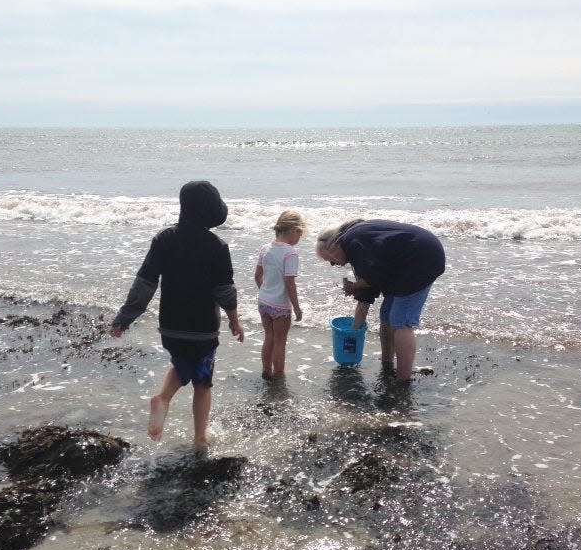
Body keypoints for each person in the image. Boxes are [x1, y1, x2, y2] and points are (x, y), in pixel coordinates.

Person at [109, 181, 244, 447]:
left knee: (181, 364)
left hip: (170, 326)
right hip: (203, 327)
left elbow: (144, 284)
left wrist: (124, 319)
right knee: (203, 382)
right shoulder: (217, 246)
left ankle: (164, 398)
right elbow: (224, 291)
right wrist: (234, 320)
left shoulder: (164, 239)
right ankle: (200, 437)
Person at [316, 219, 445, 382]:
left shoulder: (353, 243)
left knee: (401, 320)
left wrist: (354, 286)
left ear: (333, 246)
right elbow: (367, 294)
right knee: (386, 314)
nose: (334, 265)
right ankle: (387, 364)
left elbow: (374, 277)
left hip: (421, 259)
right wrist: (354, 331)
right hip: (409, 260)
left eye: (331, 260)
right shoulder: (355, 243)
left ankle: (402, 381)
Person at [254, 210, 306, 380]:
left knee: (269, 337)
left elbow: (257, 276)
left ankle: (266, 370)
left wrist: (265, 291)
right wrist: (297, 308)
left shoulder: (265, 248)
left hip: (264, 301)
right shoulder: (290, 253)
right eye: (301, 233)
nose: (300, 238)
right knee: (280, 342)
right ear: (294, 231)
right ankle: (279, 376)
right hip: (280, 306)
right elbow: (290, 283)